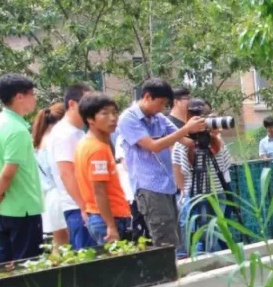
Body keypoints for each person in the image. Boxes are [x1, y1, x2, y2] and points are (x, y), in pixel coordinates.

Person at [118, 78, 206, 252]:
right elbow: (154, 146)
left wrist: (202, 131)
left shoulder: (158, 118)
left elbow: (184, 140)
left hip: (167, 186)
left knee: (174, 235)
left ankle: (176, 266)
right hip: (149, 187)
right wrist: (187, 128)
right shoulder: (128, 118)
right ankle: (169, 269)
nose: (162, 108)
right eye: (160, 103)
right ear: (147, 97)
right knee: (164, 239)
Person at [0, 74, 44, 263]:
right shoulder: (17, 130)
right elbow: (8, 174)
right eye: (32, 94)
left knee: (5, 265)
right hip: (23, 209)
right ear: (19, 97)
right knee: (27, 266)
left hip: (4, 208)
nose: (35, 99)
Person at [172, 98, 233, 253]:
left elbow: (179, 173)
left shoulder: (183, 143)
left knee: (200, 231)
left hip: (196, 195)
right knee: (213, 230)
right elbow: (225, 166)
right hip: (214, 193)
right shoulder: (214, 142)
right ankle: (208, 255)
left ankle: (202, 257)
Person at [75, 93, 133, 245]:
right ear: (90, 119)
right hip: (109, 218)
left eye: (114, 113)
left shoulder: (88, 143)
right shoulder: (96, 148)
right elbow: (99, 190)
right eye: (105, 114)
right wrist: (111, 226)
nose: (113, 118)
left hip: (101, 216)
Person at [48, 83, 95, 249]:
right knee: (87, 258)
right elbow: (66, 173)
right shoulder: (64, 133)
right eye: (87, 102)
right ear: (72, 104)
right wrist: (83, 206)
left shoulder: (78, 132)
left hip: (86, 206)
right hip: (78, 208)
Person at [32, 101, 69, 250]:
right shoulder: (55, 140)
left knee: (58, 244)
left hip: (49, 197)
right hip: (61, 195)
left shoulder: (38, 141)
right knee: (67, 244)